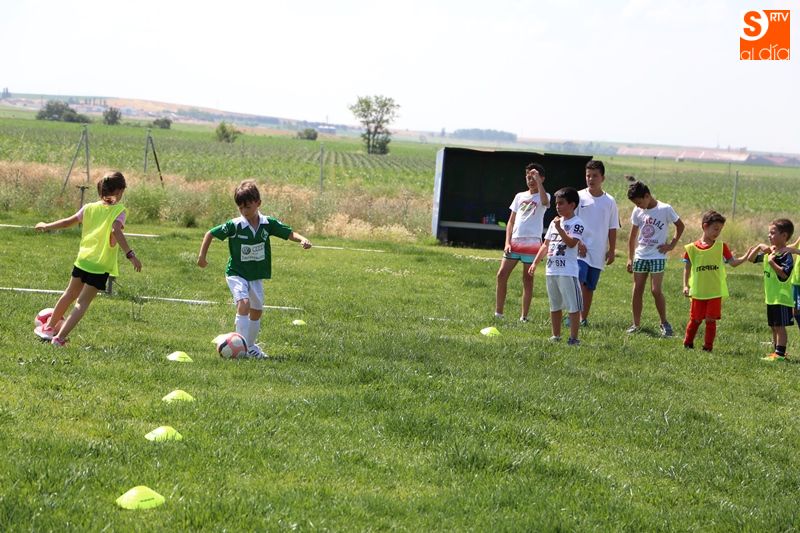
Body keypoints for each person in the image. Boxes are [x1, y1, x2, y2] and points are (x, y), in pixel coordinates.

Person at [198, 179, 312, 358]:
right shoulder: (235, 225)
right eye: (241, 208)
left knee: (257, 311)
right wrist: (202, 257)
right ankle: (239, 347)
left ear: (258, 203)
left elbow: (289, 233)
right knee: (244, 304)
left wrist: (302, 239)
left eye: (248, 207)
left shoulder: (267, 224)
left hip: (256, 275)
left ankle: (250, 346)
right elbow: (210, 233)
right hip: (236, 273)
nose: (244, 211)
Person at [34, 171, 143, 346]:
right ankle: (59, 339)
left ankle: (48, 327)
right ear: (119, 191)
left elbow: (67, 222)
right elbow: (116, 230)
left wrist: (46, 225)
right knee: (82, 303)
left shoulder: (88, 208)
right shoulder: (119, 211)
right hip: (99, 266)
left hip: (83, 260)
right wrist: (131, 255)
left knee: (69, 294)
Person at [681, 210, 750, 352]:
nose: (717, 233)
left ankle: (708, 347)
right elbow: (687, 268)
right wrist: (685, 285)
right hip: (698, 291)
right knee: (695, 319)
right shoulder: (691, 248)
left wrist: (746, 256)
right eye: (715, 229)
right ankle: (688, 343)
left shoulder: (721, 246)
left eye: (720, 230)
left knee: (711, 320)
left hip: (715, 291)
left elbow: (733, 263)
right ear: (704, 226)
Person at [626, 179, 685, 336]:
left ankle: (664, 323)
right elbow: (632, 237)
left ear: (647, 196)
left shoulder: (665, 209)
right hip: (641, 255)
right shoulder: (637, 211)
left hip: (658, 256)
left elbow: (680, 226)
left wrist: (671, 245)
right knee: (637, 289)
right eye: (636, 204)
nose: (638, 206)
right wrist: (630, 258)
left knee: (655, 290)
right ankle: (636, 324)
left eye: (639, 203)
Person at [529, 187, 585, 345]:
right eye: (556, 204)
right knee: (555, 305)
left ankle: (574, 338)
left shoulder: (577, 223)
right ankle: (556, 335)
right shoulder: (554, 223)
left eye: (561, 203)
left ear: (572, 205)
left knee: (573, 306)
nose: (558, 207)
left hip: (567, 271)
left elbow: (572, 243)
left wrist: (560, 228)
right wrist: (535, 262)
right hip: (551, 269)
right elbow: (546, 245)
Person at [495, 162, 550, 322]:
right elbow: (511, 222)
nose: (530, 180)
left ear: (542, 178)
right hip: (515, 242)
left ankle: (524, 316)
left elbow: (545, 202)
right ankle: (498, 313)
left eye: (534, 177)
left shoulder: (545, 195)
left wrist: (538, 182)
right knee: (501, 275)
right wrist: (507, 242)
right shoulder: (519, 196)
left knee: (527, 279)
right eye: (528, 177)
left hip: (532, 244)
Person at [575, 159, 619, 326]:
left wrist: (612, 249)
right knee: (578, 280)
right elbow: (570, 221)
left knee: (589, 287)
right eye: (588, 176)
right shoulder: (579, 197)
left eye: (594, 176)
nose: (591, 179)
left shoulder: (610, 201)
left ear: (603, 178)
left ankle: (583, 318)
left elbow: (612, 227)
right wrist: (578, 242)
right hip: (580, 249)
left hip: (598, 251)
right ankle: (573, 315)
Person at [747, 219, 795, 361]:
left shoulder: (785, 255)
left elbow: (784, 274)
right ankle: (776, 352)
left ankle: (780, 354)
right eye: (769, 232)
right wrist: (759, 247)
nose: (769, 235)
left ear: (784, 236)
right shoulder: (771, 252)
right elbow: (751, 259)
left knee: (780, 326)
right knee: (774, 326)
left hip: (781, 298)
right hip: (771, 297)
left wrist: (771, 262)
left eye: (773, 233)